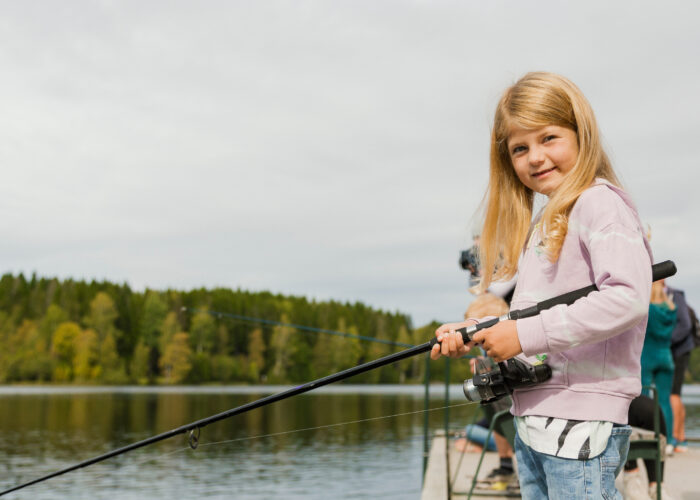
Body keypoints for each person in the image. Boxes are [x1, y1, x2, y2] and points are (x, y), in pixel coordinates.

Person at [431, 72, 653, 499]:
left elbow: (627, 298)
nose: (535, 157)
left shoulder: (599, 203)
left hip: (579, 429)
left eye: (549, 138)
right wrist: (477, 333)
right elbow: (534, 317)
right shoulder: (546, 220)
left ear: (581, 135)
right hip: (534, 427)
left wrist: (523, 333)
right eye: (520, 148)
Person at [455, 293, 517, 489]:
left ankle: (506, 464)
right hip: (505, 417)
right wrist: (484, 367)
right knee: (489, 406)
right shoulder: (487, 352)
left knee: (471, 431)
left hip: (516, 422)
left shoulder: (511, 346)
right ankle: (505, 465)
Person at [641, 280, 676, 446]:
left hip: (647, 356)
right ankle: (668, 441)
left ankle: (646, 437)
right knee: (664, 401)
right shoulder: (671, 309)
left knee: (643, 398)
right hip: (666, 357)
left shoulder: (648, 308)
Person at [667, 284, 695, 452]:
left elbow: (685, 325)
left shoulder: (674, 295)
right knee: (675, 394)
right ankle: (681, 437)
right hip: (677, 349)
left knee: (673, 394)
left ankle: (676, 438)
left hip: (679, 351)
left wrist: (665, 341)